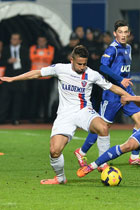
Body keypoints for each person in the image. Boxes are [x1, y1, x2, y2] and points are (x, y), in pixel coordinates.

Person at [0, 45, 131, 185]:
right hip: (65, 115)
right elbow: (37, 73)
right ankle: (60, 178)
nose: (82, 67)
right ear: (71, 60)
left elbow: (112, 87)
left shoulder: (92, 74)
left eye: (84, 64)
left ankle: (102, 164)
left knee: (103, 127)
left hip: (84, 111)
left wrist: (130, 97)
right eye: (79, 64)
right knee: (54, 151)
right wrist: (14, 79)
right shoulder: (60, 69)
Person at [74, 20, 140, 170]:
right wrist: (120, 79)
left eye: (125, 32)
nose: (123, 35)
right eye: (120, 32)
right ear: (115, 34)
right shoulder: (112, 49)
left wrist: (124, 81)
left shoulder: (128, 47)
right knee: (103, 126)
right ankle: (81, 152)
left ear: (128, 34)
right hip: (112, 92)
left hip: (126, 91)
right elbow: (102, 66)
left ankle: (134, 157)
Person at [0, 32, 31, 125]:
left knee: (18, 100)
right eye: (12, 38)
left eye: (15, 39)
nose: (13, 40)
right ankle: (1, 119)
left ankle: (15, 119)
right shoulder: (5, 49)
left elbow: (28, 64)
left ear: (20, 40)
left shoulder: (24, 50)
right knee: (5, 99)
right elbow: (1, 62)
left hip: (19, 78)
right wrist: (8, 61)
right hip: (8, 77)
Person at [29, 35, 55, 122]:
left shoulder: (51, 48)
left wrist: (39, 56)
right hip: (35, 76)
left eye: (43, 41)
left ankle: (46, 117)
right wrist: (43, 57)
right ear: (37, 41)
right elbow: (32, 58)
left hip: (46, 77)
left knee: (46, 98)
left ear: (46, 41)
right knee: (34, 98)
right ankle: (32, 117)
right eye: (39, 41)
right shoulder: (32, 48)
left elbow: (50, 58)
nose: (41, 42)